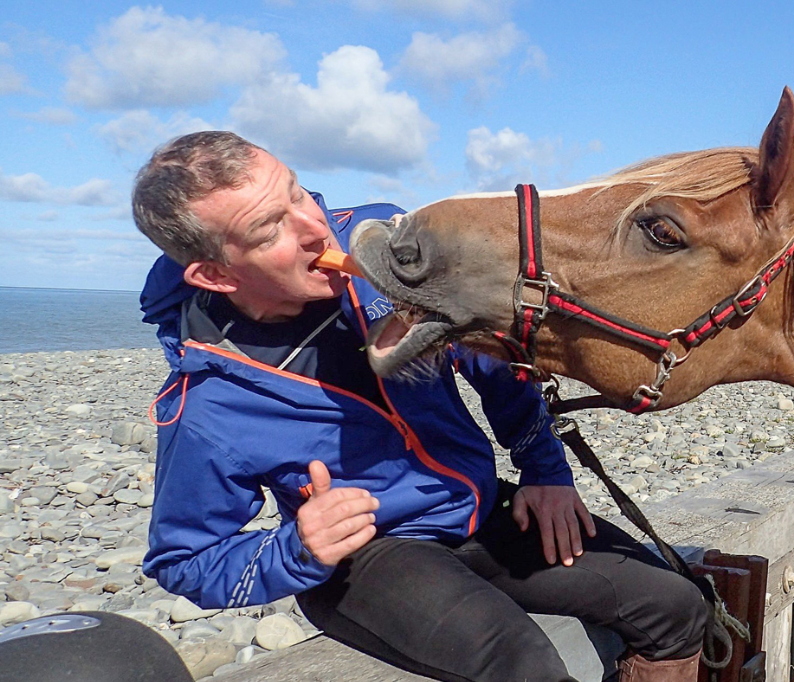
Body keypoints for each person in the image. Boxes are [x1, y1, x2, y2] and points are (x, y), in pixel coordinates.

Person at [133, 131, 708, 682]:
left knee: (676, 606)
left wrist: (545, 470)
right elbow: (185, 560)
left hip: (477, 507)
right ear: (213, 272)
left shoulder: (384, 241)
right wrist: (298, 548)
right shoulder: (208, 403)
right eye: (268, 229)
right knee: (524, 667)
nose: (314, 228)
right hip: (368, 555)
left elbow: (490, 358)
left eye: (296, 191)